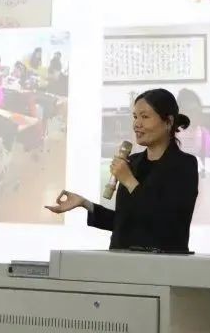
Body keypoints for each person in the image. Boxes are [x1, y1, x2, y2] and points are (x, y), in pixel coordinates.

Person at [46, 88, 198, 252]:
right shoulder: (133, 162)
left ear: (168, 121)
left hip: (162, 263)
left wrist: (128, 180)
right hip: (121, 260)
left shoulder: (184, 164)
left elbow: (167, 223)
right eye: (135, 117)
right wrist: (85, 203)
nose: (137, 124)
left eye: (145, 117)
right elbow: (124, 222)